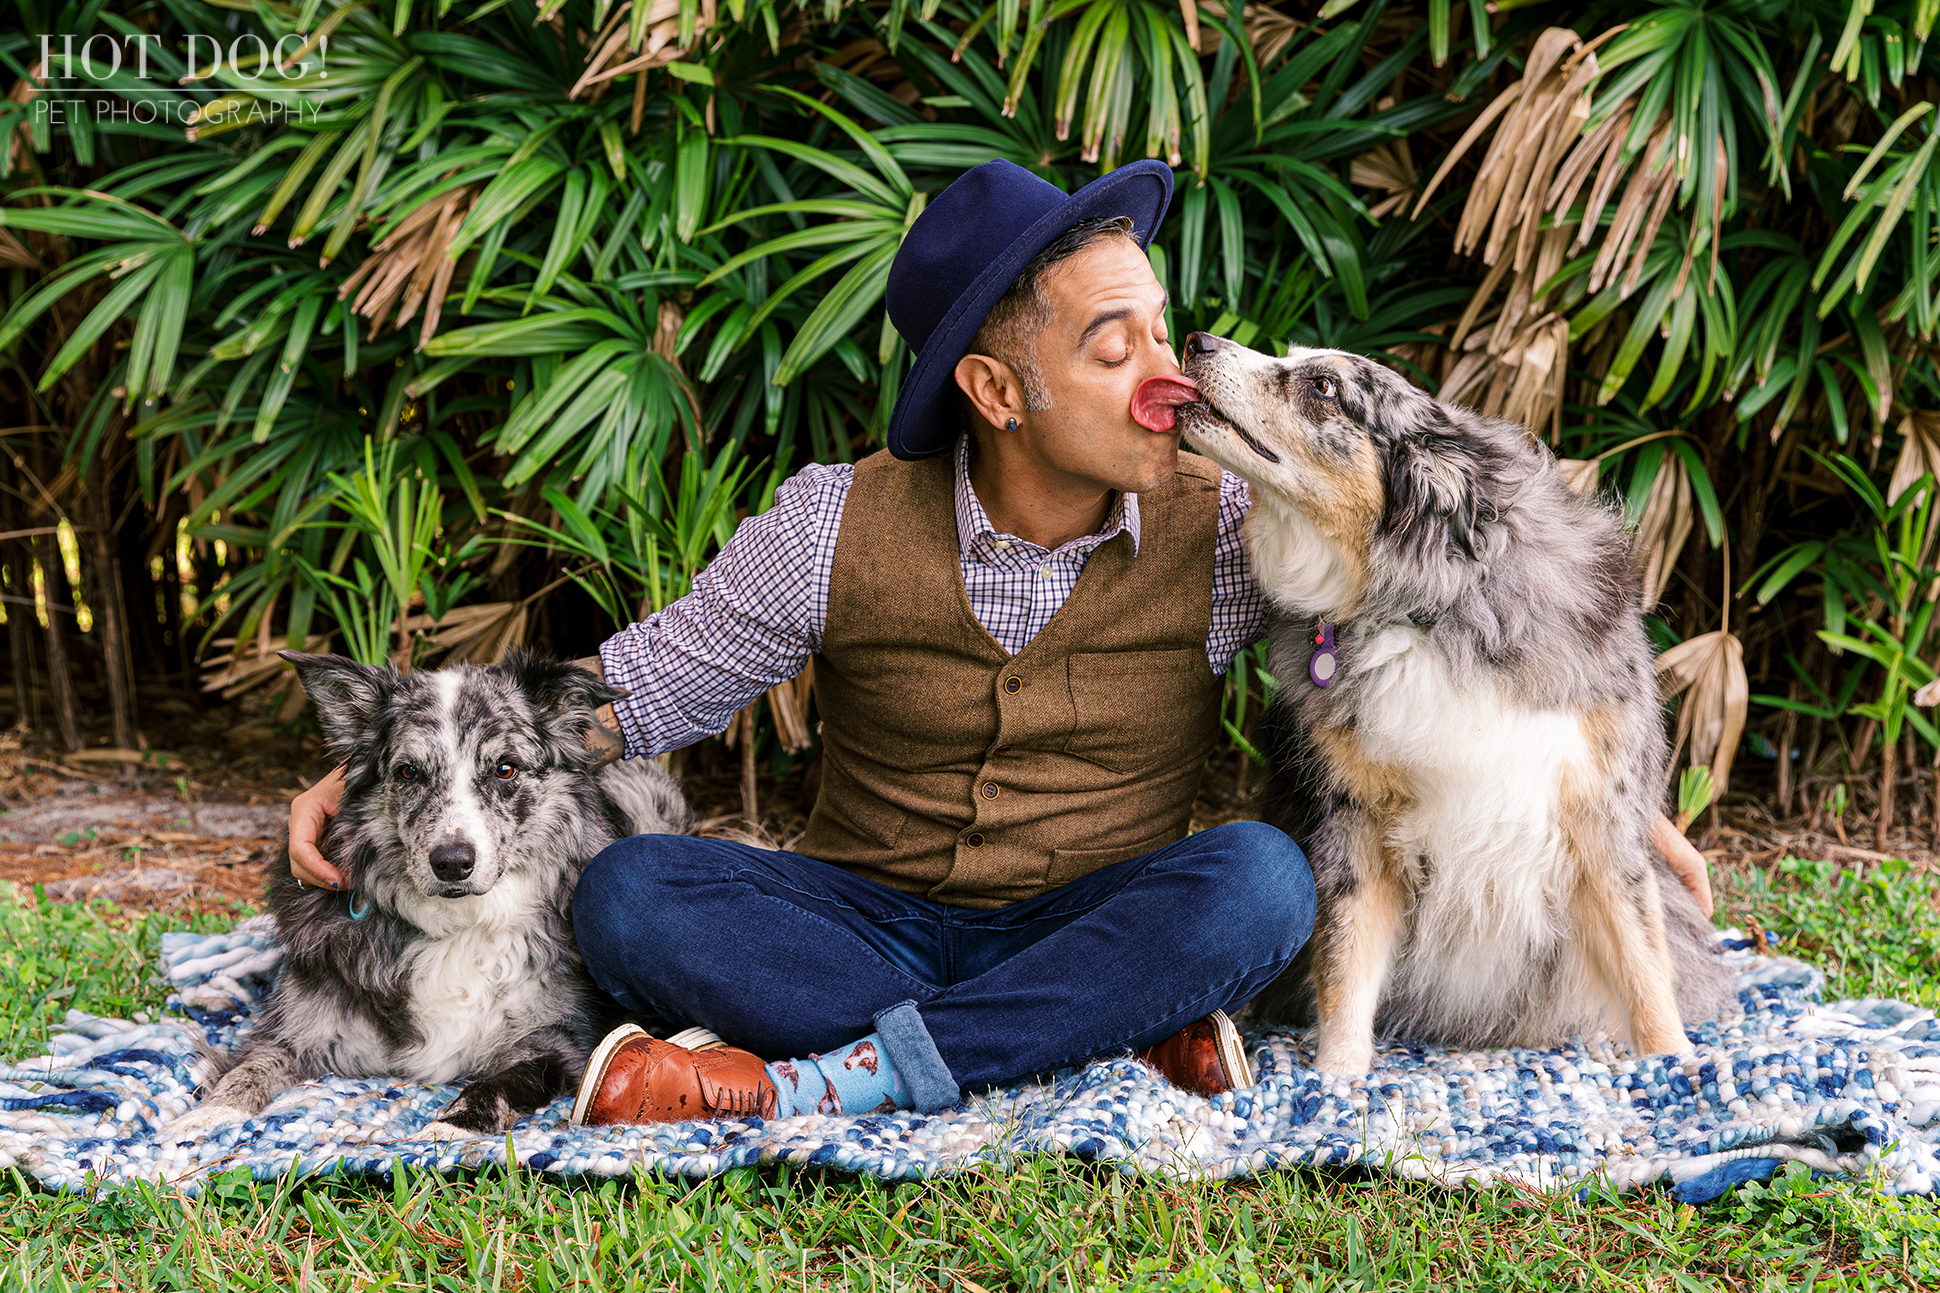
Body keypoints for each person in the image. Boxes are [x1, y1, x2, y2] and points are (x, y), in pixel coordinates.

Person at [284, 158, 1716, 1124]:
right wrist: (389, 769)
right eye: (1115, 347)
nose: (1171, 374)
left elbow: (1453, 599)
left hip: (1104, 902)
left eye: (1164, 329)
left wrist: (1611, 793)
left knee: (1262, 883)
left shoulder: (1231, 524)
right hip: (868, 913)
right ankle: (1092, 1030)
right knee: (638, 897)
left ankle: (804, 1084)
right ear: (994, 385)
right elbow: (638, 691)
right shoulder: (832, 523)